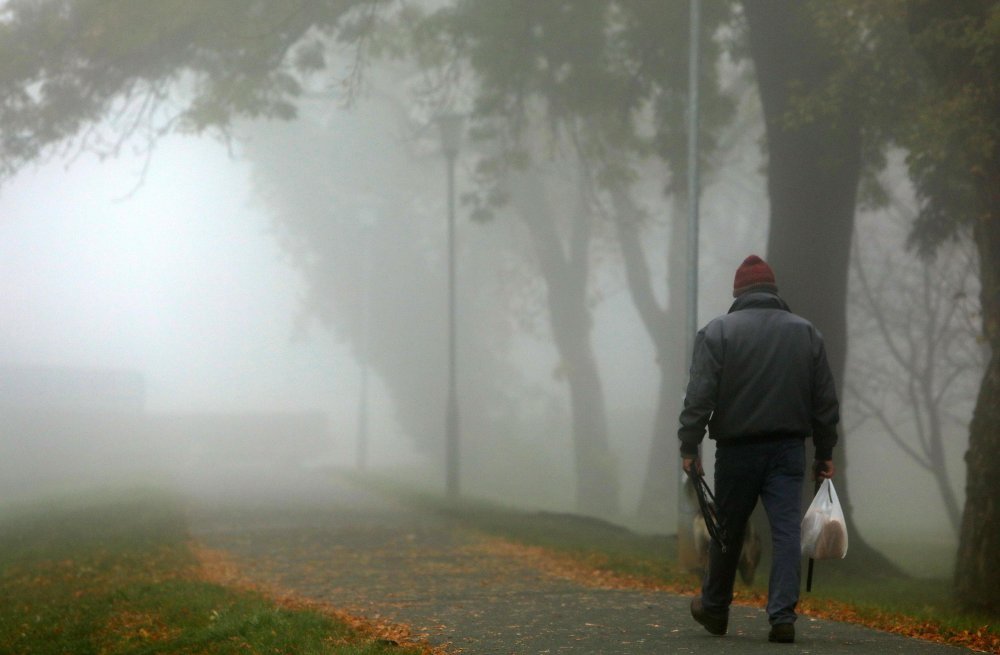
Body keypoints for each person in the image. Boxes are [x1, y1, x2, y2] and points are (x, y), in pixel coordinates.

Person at [678, 254, 839, 644]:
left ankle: (715, 608)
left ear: (738, 293)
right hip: (787, 450)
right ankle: (782, 617)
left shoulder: (717, 332)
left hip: (736, 451)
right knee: (786, 532)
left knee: (727, 531)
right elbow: (824, 401)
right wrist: (824, 452)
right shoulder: (807, 333)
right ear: (772, 291)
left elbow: (700, 396)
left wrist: (689, 444)